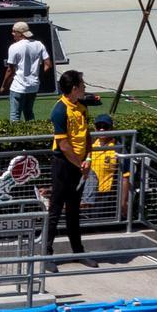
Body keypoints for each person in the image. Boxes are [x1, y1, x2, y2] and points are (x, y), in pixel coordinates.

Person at [42, 69, 95, 266]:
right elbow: (64, 146)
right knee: (55, 209)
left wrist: (88, 158)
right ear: (74, 88)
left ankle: (78, 251)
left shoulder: (82, 107)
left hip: (79, 165)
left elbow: (87, 135)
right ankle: (46, 254)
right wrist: (80, 164)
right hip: (64, 165)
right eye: (82, 84)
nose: (84, 87)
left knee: (74, 210)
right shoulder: (59, 110)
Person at [1, 21, 51, 121]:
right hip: (33, 86)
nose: (12, 33)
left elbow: (10, 70)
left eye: (14, 31)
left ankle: (15, 136)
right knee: (29, 113)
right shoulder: (39, 44)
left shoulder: (14, 47)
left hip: (18, 87)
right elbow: (48, 65)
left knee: (15, 115)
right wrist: (37, 75)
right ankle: (31, 135)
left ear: (20, 33)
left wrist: (3, 86)